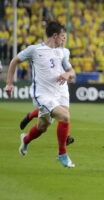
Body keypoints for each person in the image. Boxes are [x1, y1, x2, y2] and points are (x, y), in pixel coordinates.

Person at [5, 21, 76, 167]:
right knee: (65, 116)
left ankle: (25, 140)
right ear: (55, 35)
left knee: (43, 127)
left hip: (58, 92)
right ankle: (62, 154)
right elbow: (14, 61)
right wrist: (9, 83)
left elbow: (72, 72)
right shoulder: (35, 50)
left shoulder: (61, 51)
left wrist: (67, 75)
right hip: (42, 95)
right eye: (62, 36)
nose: (63, 39)